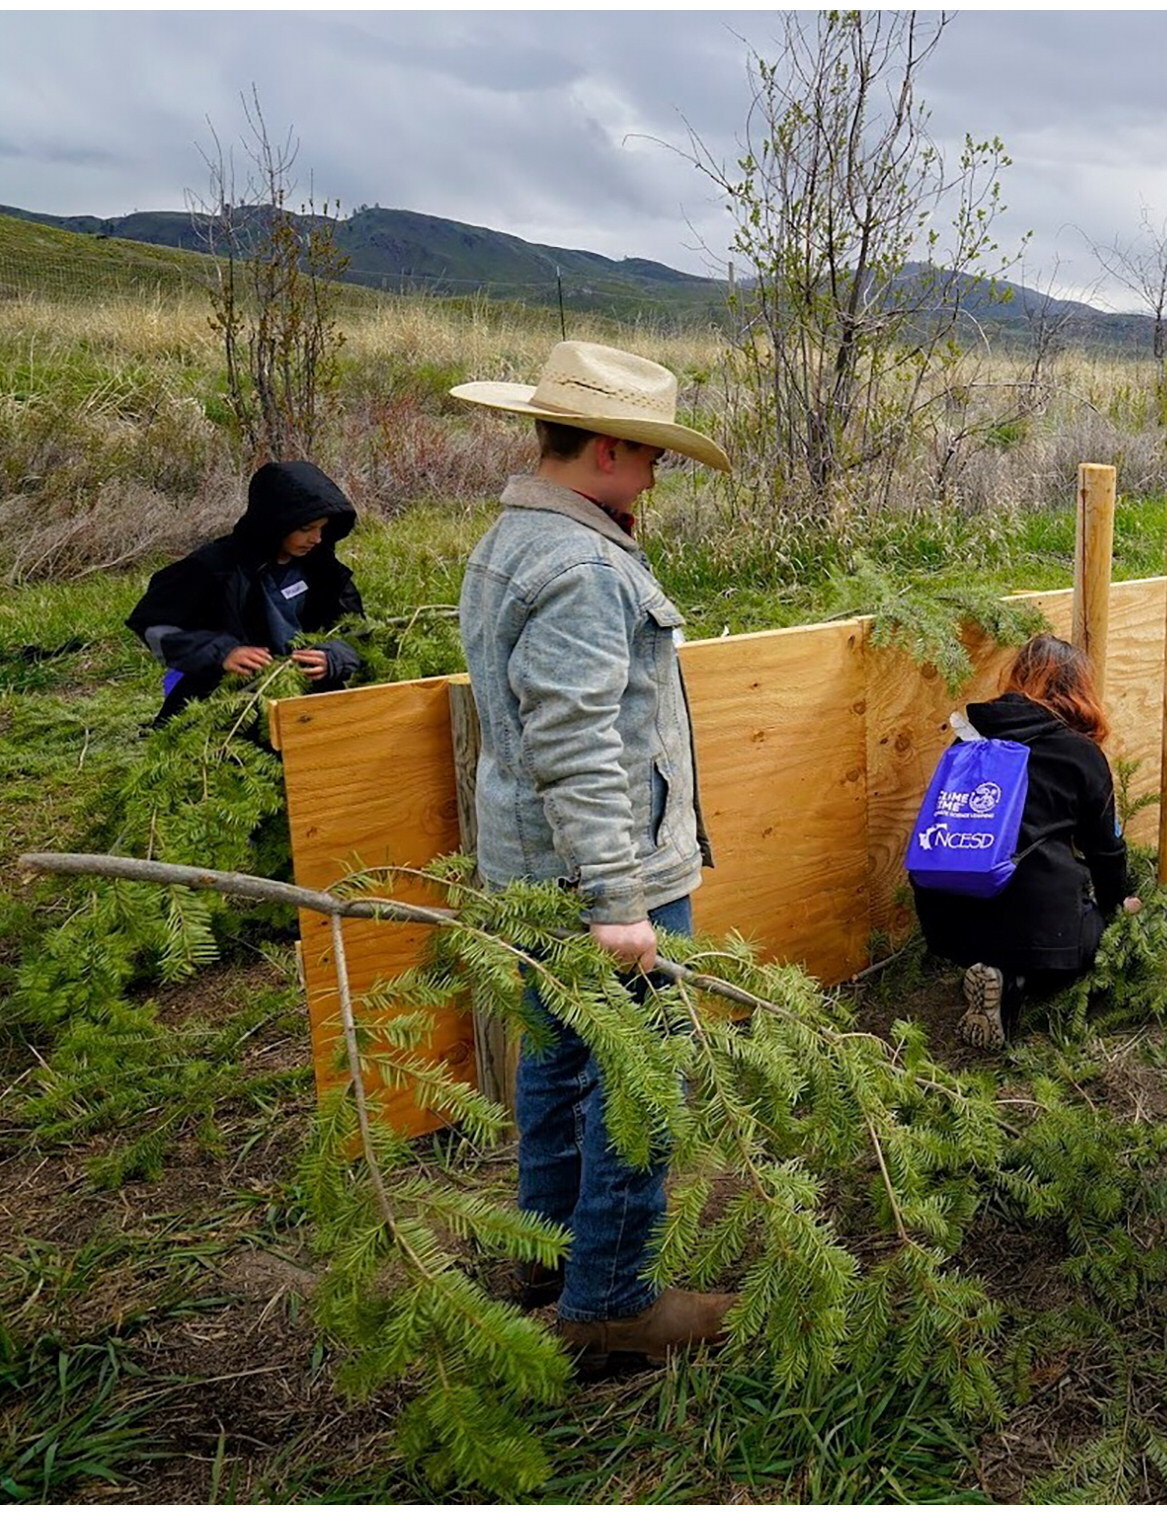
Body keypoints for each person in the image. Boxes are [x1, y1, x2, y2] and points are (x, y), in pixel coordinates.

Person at [451, 339, 735, 1368]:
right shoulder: (578, 568)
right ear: (610, 449)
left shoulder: (520, 539)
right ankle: (610, 1301)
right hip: (603, 883)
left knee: (560, 1061)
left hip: (536, 869)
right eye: (654, 456)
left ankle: (548, 1251)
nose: (660, 477)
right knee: (641, 1083)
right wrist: (618, 901)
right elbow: (578, 741)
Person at [911, 633, 1142, 1049]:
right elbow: (1106, 850)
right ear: (1079, 690)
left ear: (1018, 678)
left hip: (947, 920)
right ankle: (1020, 978)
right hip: (1042, 927)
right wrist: (1117, 905)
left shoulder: (969, 739)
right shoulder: (1078, 753)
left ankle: (995, 972)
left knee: (1008, 916)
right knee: (1091, 928)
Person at [126, 460, 364, 724]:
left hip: (304, 692)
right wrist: (222, 653)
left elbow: (354, 630)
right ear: (276, 523)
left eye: (322, 528)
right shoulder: (214, 568)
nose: (317, 539)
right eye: (306, 529)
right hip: (228, 699)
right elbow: (153, 623)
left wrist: (335, 658)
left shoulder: (322, 568)